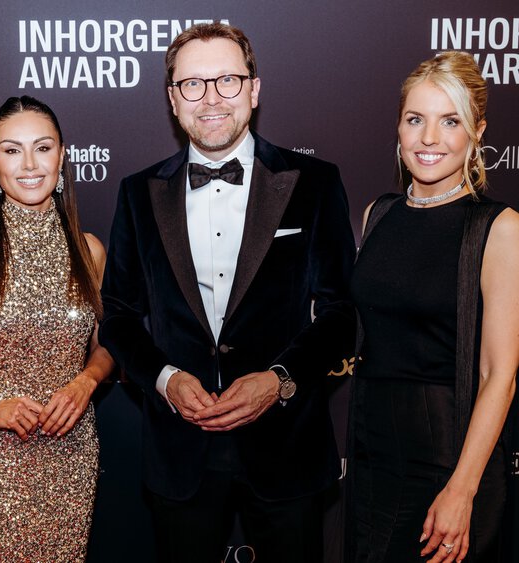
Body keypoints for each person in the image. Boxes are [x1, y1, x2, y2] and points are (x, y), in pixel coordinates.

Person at [99, 23, 357, 561]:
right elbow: (119, 316)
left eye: (227, 81)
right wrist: (166, 381)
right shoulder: (137, 192)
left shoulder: (313, 182)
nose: (211, 98)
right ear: (173, 100)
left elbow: (339, 313)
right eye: (192, 84)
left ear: (254, 89)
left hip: (286, 444)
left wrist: (279, 380)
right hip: (181, 449)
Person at [348, 51, 519, 563]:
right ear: (399, 127)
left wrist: (462, 489)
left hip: (451, 455)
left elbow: (500, 375)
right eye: (416, 119)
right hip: (372, 452)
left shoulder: (500, 229)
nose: (429, 138)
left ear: (477, 131)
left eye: (449, 120)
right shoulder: (377, 215)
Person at [0, 95, 114, 562]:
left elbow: (108, 346)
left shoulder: (89, 251)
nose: (29, 164)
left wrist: (86, 381)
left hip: (71, 448)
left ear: (62, 155)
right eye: (11, 150)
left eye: (42, 148)